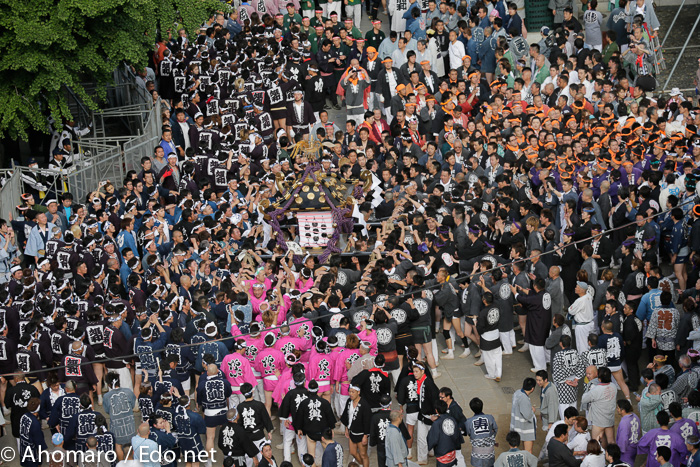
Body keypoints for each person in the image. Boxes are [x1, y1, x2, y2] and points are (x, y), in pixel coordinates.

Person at [427, 399, 464, 467]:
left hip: (442, 452)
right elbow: (457, 434)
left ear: (436, 411)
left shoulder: (436, 423)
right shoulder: (452, 419)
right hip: (452, 452)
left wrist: (429, 447)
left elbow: (433, 439)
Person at [510, 378, 537, 453]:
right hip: (525, 428)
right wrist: (532, 411)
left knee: (521, 449)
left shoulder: (517, 393)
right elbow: (527, 415)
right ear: (532, 389)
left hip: (517, 426)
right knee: (528, 451)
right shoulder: (524, 398)